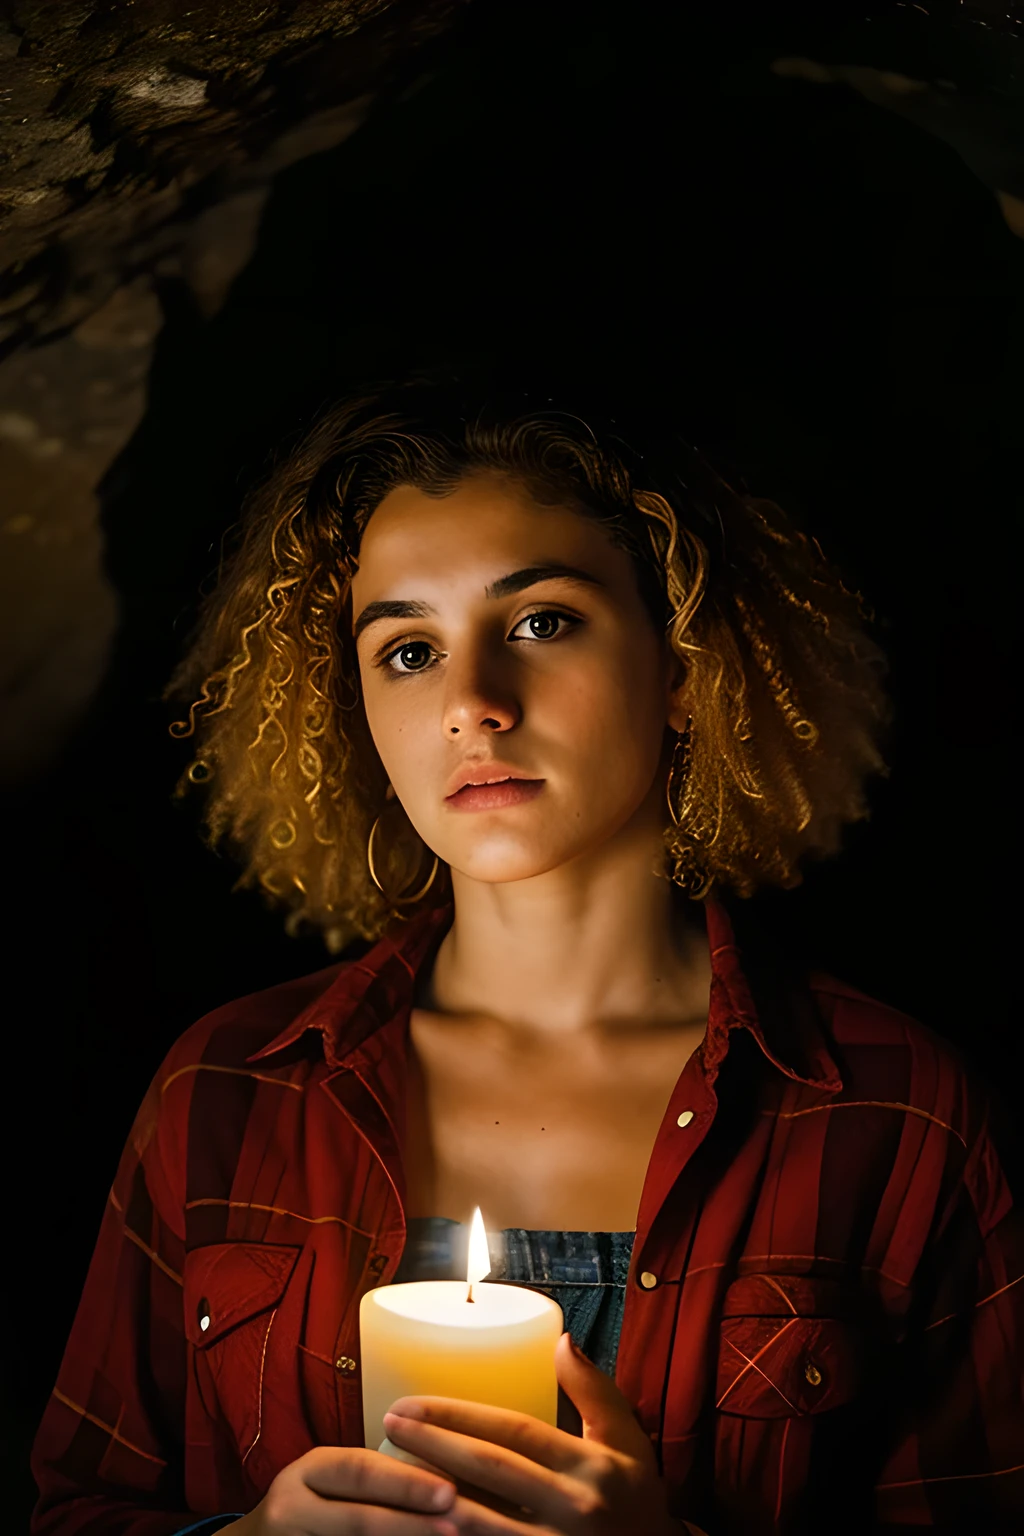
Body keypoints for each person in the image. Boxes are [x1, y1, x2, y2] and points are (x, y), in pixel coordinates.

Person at [31, 372, 1024, 1535]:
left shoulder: (894, 1112)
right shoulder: (227, 1088)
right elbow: (81, 1507)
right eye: (406, 651)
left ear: (685, 669)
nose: (472, 703)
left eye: (541, 622)